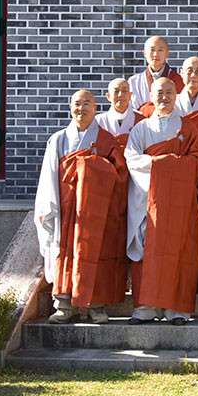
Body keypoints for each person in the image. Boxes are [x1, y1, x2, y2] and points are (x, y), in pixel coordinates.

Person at [34, 90, 129, 324]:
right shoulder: (58, 139)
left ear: (95, 108)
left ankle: (97, 306)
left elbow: (121, 175)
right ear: (70, 108)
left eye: (87, 103)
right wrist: (48, 205)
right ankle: (65, 305)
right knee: (66, 253)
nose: (82, 108)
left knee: (98, 253)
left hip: (98, 210)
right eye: (77, 104)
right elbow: (49, 175)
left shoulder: (107, 140)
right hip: (67, 209)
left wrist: (94, 169)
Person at [125, 77, 198, 325]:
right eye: (160, 92)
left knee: (179, 251)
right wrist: (163, 164)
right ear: (151, 94)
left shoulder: (188, 128)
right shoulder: (141, 129)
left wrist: (171, 165)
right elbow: (132, 159)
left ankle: (176, 309)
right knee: (147, 251)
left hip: (179, 202)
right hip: (149, 198)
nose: (164, 97)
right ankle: (145, 308)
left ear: (176, 95)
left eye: (170, 92)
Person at [128, 36, 184, 112]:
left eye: (160, 50)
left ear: (167, 54)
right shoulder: (134, 81)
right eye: (152, 50)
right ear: (145, 53)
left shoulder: (178, 80)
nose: (155, 54)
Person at [95, 78, 143, 145]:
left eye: (124, 91)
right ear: (108, 96)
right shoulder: (98, 121)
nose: (120, 95)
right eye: (116, 91)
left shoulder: (141, 120)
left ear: (130, 95)